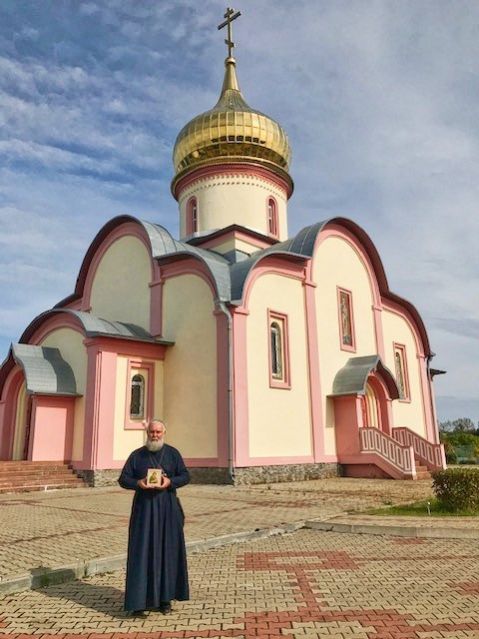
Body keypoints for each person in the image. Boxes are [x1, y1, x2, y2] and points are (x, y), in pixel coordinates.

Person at [118, 419, 190, 617]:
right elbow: (123, 479)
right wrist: (138, 483)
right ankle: (138, 602)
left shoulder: (173, 454)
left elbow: (185, 476)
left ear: (164, 432)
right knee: (142, 553)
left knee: (166, 553)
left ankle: (165, 600)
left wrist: (170, 481)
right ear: (147, 433)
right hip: (144, 511)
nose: (155, 435)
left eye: (158, 432)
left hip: (167, 510)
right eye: (152, 432)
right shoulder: (137, 455)